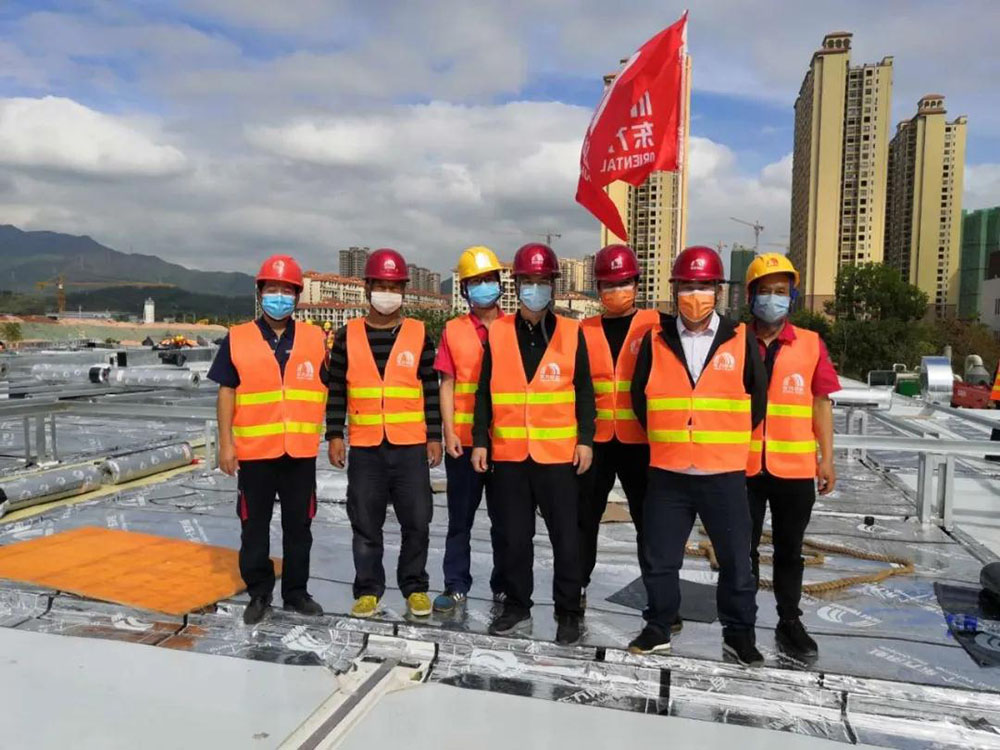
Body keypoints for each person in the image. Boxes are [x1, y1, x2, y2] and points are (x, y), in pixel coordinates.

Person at [627, 245, 767, 666]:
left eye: (703, 286)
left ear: (718, 292)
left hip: (722, 472)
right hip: (669, 471)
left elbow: (756, 401)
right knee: (660, 556)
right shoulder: (655, 340)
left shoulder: (740, 339)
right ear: (674, 291)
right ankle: (659, 625)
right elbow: (640, 398)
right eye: (687, 285)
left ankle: (739, 634)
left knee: (736, 561)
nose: (695, 294)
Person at [471, 243, 595, 646]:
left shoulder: (572, 333)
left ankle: (568, 611)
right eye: (529, 281)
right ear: (517, 285)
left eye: (543, 282)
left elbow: (584, 392)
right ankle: (517, 605)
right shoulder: (499, 332)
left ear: (554, 286)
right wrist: (479, 441)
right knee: (513, 536)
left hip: (557, 456)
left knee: (566, 537)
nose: (536, 288)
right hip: (509, 455)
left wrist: (586, 440)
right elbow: (484, 393)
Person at [209, 254, 328, 625]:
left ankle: (296, 592)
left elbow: (335, 384)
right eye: (272, 288)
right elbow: (226, 391)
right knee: (254, 527)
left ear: (298, 296)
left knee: (299, 527)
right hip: (255, 453)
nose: (279, 296)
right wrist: (226, 444)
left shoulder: (316, 338)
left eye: (286, 290)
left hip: (299, 452)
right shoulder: (238, 338)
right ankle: (259, 593)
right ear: (260, 292)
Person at [326, 248, 442, 620]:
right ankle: (368, 590)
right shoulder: (347, 336)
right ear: (368, 288)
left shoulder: (419, 334)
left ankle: (415, 587)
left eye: (394, 286)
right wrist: (334, 434)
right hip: (366, 446)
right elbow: (338, 389)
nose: (387, 293)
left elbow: (430, 388)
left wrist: (435, 435)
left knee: (417, 520)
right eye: (381, 285)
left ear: (404, 291)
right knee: (365, 521)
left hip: (410, 446)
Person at [744, 254, 840, 658]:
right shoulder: (733, 340)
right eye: (764, 291)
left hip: (795, 468)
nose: (772, 299)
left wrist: (827, 458)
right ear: (750, 296)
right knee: (740, 550)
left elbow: (821, 404)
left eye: (780, 292)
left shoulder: (810, 344)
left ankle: (789, 621)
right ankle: (740, 620)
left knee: (789, 549)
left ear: (793, 297)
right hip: (743, 466)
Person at [578, 244, 659, 612]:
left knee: (650, 522)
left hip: (640, 442)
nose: (616, 290)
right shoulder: (583, 330)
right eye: (609, 284)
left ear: (637, 285)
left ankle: (658, 597)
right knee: (585, 518)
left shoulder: (656, 327)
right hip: (595, 442)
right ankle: (576, 587)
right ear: (598, 288)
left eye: (623, 282)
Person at [433, 246, 507, 614]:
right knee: (460, 519)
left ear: (499, 283)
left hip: (505, 441)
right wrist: (448, 433)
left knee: (505, 520)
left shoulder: (513, 328)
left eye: (488, 279)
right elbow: (446, 384)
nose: (483, 287)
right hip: (463, 440)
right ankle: (456, 584)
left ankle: (503, 585)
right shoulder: (453, 330)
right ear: (464, 290)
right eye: (475, 282)